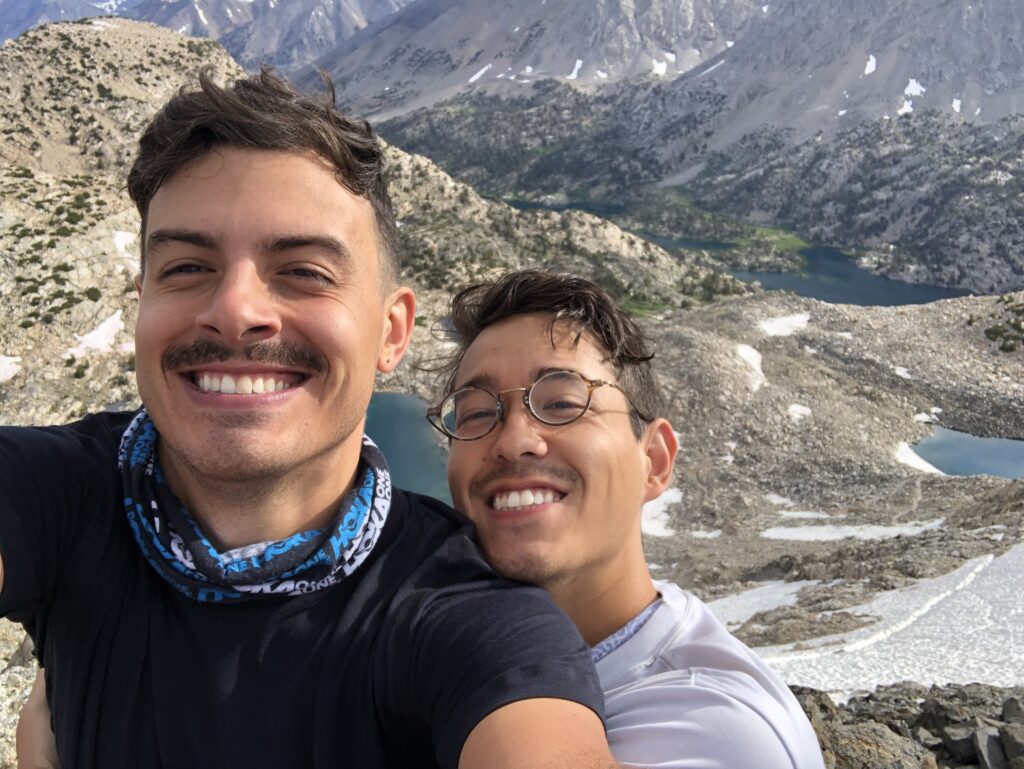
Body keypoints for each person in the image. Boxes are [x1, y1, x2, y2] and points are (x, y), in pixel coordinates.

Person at [0, 73, 618, 769]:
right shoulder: (55, 496)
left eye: (304, 271)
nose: (235, 308)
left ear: (391, 333)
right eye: (187, 267)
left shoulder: (469, 617)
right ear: (143, 303)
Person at [426, 269, 827, 769]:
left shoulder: (714, 729)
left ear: (654, 461)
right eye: (476, 414)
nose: (512, 440)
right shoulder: (436, 648)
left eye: (563, 403)